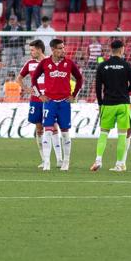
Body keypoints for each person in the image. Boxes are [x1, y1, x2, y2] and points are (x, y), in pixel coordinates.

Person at [35, 39, 84, 171]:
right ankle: (46, 162)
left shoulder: (69, 63)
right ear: (53, 50)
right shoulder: (45, 63)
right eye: (60, 48)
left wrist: (74, 95)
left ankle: (66, 162)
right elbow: (34, 79)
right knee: (48, 132)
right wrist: (39, 94)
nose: (64, 50)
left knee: (65, 133)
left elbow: (79, 78)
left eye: (64, 48)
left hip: (64, 103)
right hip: (49, 102)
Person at [90, 39, 131, 173]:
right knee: (122, 134)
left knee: (104, 133)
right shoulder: (126, 65)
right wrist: (122, 91)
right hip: (123, 104)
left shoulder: (103, 65)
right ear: (122, 49)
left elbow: (98, 87)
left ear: (111, 50)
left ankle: (98, 159)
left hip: (108, 103)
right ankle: (119, 164)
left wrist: (100, 103)